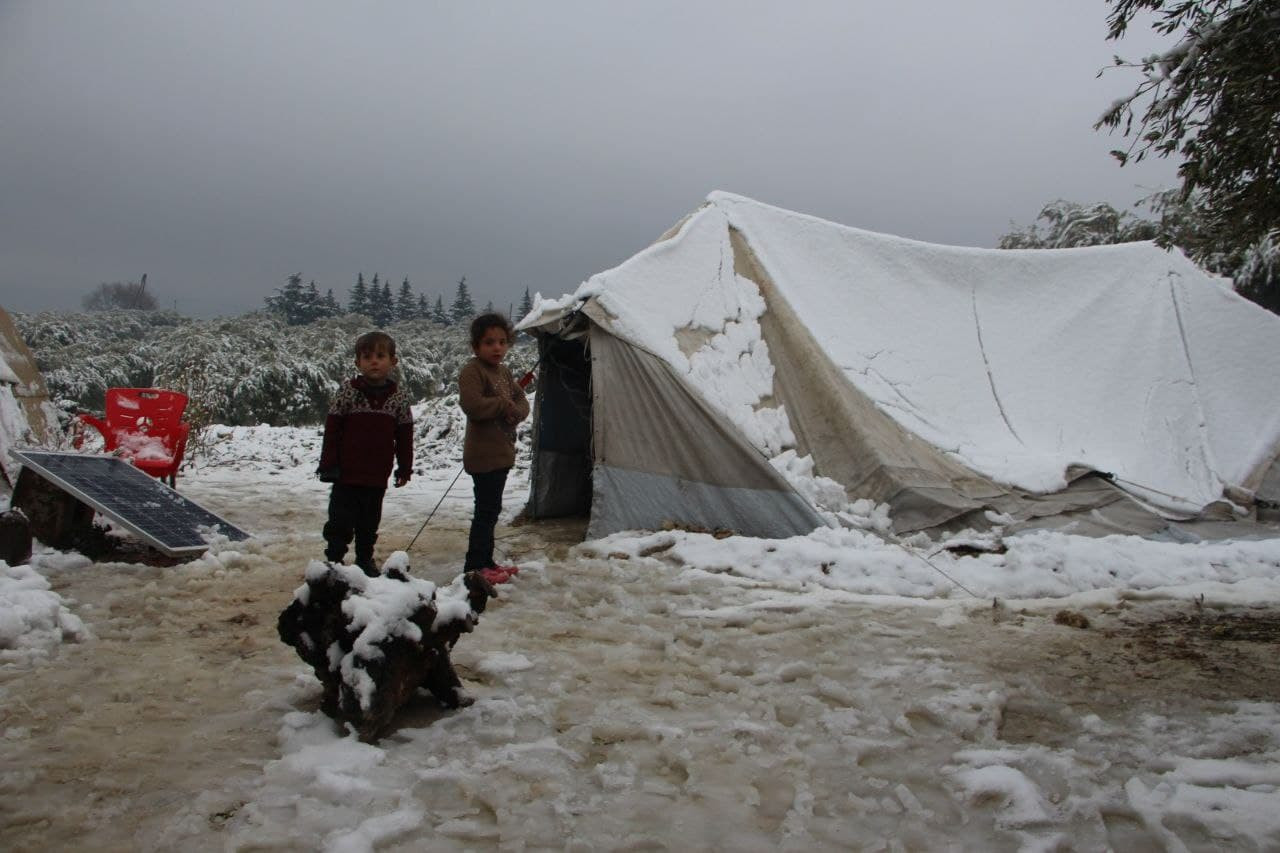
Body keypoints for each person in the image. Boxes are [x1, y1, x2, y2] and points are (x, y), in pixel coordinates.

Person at [317, 330, 413, 575]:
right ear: (357, 362)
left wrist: (404, 468)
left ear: (393, 361)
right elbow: (332, 430)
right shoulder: (348, 391)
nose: (374, 361)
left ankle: (364, 560)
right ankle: (335, 561)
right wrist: (328, 465)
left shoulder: (399, 397)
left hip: (377, 475)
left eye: (380, 356)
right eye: (367, 356)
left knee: (369, 522)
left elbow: (404, 436)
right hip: (346, 474)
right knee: (340, 520)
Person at [459, 312, 529, 581]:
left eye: (501, 341)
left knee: (491, 511)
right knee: (485, 512)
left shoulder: (504, 371)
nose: (497, 347)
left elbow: (521, 400)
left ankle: (486, 561)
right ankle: (475, 567)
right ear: (476, 346)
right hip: (483, 455)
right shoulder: (472, 371)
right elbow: (473, 406)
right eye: (489, 342)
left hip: (501, 454)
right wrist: (503, 406)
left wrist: (517, 411)